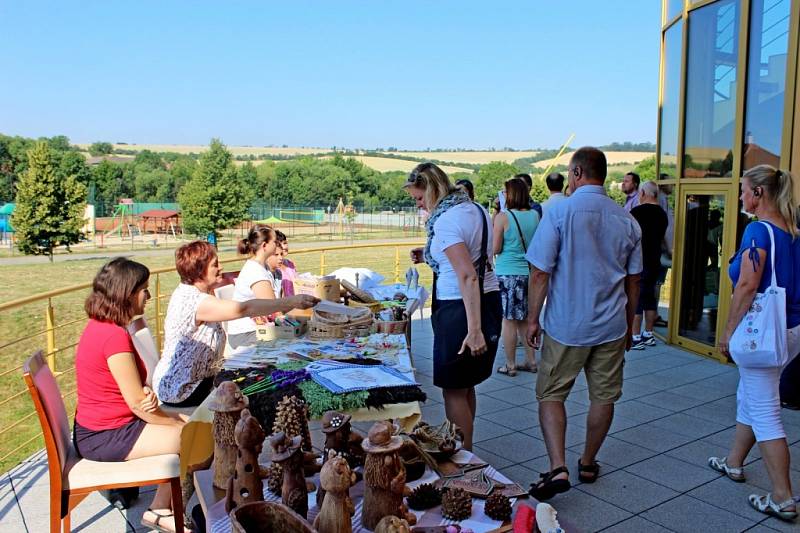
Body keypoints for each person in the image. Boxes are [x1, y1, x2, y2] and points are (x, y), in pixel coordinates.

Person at [525, 147, 642, 500]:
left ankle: (558, 466)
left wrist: (532, 319)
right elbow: (634, 281)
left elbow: (540, 272)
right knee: (604, 396)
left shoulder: (560, 213)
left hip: (566, 325)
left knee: (551, 393)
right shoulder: (627, 220)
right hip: (610, 326)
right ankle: (588, 462)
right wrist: (629, 325)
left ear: (576, 174)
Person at [712, 165, 799, 521]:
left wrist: (728, 331)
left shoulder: (757, 231)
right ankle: (734, 461)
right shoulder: (793, 232)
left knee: (765, 411)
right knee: (751, 395)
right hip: (791, 329)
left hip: (763, 331)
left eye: (745, 190)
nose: (742, 197)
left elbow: (747, 285)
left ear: (759, 194)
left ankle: (783, 497)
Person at [73, 258, 185, 532]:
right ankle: (161, 509)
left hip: (107, 426)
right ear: (127, 293)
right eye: (144, 289)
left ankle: (163, 506)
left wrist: (145, 393)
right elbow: (138, 406)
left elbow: (129, 392)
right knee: (194, 435)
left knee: (194, 424)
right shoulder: (113, 337)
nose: (148, 296)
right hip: (106, 435)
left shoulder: (102, 327)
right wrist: (175, 423)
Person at [404, 162, 502, 451]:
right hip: (488, 299)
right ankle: (467, 451)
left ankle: (462, 458)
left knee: (453, 389)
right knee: (465, 383)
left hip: (460, 308)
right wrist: (429, 254)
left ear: (432, 190)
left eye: (420, 199)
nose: (421, 207)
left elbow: (467, 275)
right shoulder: (475, 210)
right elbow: (472, 255)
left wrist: (474, 330)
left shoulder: (446, 221)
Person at [154, 241, 318, 406]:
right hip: (183, 389)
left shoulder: (194, 291)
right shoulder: (195, 301)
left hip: (201, 379)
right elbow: (244, 308)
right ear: (198, 270)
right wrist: (292, 302)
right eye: (215, 265)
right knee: (260, 393)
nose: (221, 268)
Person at [493, 177, 540, 376]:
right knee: (525, 319)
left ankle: (510, 364)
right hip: (528, 273)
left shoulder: (503, 217)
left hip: (507, 273)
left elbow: (495, 247)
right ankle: (531, 361)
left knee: (508, 320)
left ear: (510, 194)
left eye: (504, 192)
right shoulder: (535, 216)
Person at [227, 225, 281, 349]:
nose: (277, 244)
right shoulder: (255, 270)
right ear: (264, 246)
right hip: (246, 334)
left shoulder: (263, 267)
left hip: (260, 329)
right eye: (274, 241)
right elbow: (273, 307)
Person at [630, 181, 668, 349]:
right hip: (655, 260)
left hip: (639, 261)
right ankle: (649, 334)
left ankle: (635, 336)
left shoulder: (636, 212)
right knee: (650, 298)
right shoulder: (662, 214)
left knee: (637, 298)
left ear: (644, 193)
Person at [277, 231, 297, 296]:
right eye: (281, 244)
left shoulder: (291, 264)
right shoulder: (272, 267)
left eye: (285, 243)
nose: (285, 247)